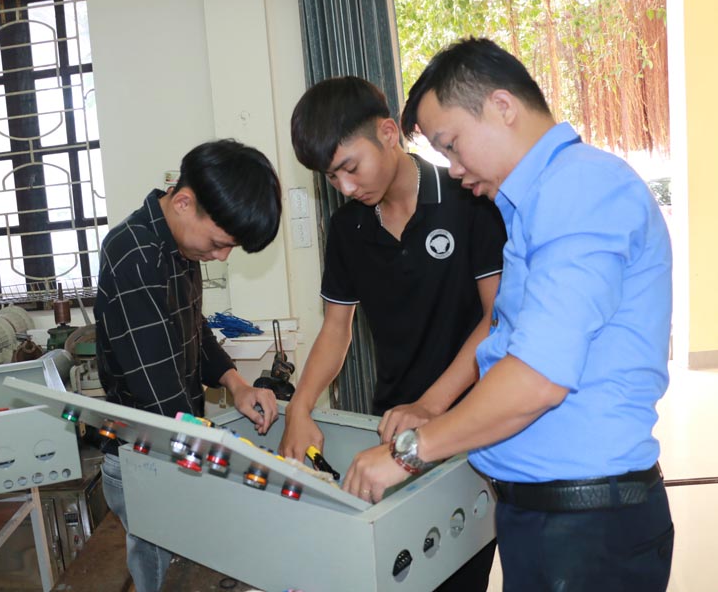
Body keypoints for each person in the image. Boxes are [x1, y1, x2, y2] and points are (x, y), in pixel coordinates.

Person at [344, 38, 674, 592]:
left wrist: (408, 454)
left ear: (502, 106)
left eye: (452, 145)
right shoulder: (532, 205)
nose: (452, 169)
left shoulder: (580, 189)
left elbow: (537, 379)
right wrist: (431, 409)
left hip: (587, 528)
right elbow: (502, 334)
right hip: (550, 519)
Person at [282, 75, 506, 591]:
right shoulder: (347, 230)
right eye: (330, 177)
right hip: (389, 430)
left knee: (456, 574)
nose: (344, 187)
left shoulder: (466, 197)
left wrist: (430, 407)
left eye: (349, 168)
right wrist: (300, 407)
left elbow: (497, 319)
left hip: (470, 426)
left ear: (387, 133)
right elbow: (336, 329)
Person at [94, 139, 282, 592]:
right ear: (183, 202)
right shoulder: (135, 256)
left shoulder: (177, 246)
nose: (221, 257)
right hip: (149, 457)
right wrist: (233, 461)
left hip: (178, 442)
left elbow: (191, 328)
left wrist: (236, 385)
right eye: (219, 244)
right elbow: (160, 396)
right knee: (169, 578)